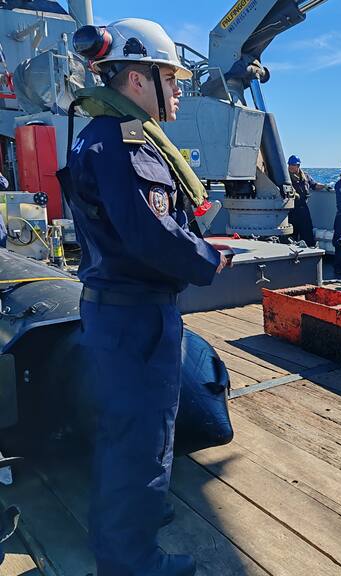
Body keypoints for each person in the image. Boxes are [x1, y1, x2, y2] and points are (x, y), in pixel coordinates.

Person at [62, 19, 229, 576]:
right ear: (137, 79)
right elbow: (150, 234)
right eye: (171, 79)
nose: (178, 91)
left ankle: (124, 526)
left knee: (123, 430)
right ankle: (132, 561)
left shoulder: (95, 133)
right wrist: (209, 259)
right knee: (143, 436)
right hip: (137, 317)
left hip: (113, 310)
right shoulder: (125, 141)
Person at [287, 155, 329, 246]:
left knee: (307, 232)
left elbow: (314, 185)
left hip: (303, 208)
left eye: (293, 165)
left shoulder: (305, 176)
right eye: (289, 164)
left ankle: (309, 248)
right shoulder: (286, 177)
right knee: (291, 235)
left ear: (298, 165)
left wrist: (325, 186)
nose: (290, 167)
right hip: (291, 210)